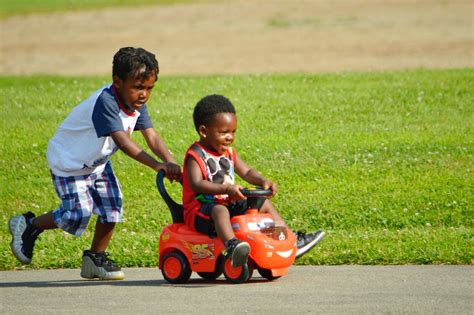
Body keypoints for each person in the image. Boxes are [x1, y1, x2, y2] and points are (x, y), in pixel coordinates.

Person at [8, 47, 181, 280]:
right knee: (77, 215)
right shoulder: (106, 102)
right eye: (138, 87)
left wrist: (171, 163)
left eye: (149, 88)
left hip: (97, 163)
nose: (144, 94)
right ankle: (30, 225)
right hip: (69, 163)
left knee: (112, 208)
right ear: (117, 81)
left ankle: (95, 258)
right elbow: (123, 142)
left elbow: (151, 136)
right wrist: (157, 165)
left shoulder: (136, 103)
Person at [183, 94, 324, 267]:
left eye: (233, 132)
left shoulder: (228, 153)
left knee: (261, 203)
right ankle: (232, 246)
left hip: (228, 202)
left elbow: (247, 171)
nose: (230, 137)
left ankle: (287, 238)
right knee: (220, 211)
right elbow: (197, 184)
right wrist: (227, 189)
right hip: (200, 211)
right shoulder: (195, 155)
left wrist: (263, 181)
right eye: (223, 132)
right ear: (204, 131)